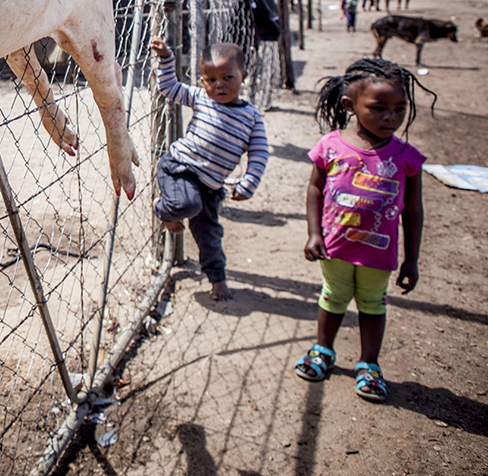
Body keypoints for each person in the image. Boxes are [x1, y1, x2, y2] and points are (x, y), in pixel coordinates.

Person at [294, 58, 434, 402]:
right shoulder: (331, 145)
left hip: (378, 253)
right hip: (335, 246)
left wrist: (411, 260)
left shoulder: (406, 156)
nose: (391, 117)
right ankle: (323, 350)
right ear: (350, 105)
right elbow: (315, 189)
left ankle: (369, 364)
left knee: (372, 304)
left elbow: (413, 211)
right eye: (379, 108)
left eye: (400, 108)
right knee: (333, 296)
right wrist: (314, 233)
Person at [150, 38, 269, 301]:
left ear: (243, 76)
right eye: (210, 79)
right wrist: (167, 59)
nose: (219, 85)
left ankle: (217, 279)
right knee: (187, 203)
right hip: (181, 168)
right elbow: (169, 87)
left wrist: (249, 181)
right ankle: (164, 209)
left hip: (212, 186)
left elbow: (259, 152)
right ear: (202, 80)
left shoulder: (251, 117)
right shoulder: (201, 98)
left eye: (228, 77)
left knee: (210, 235)